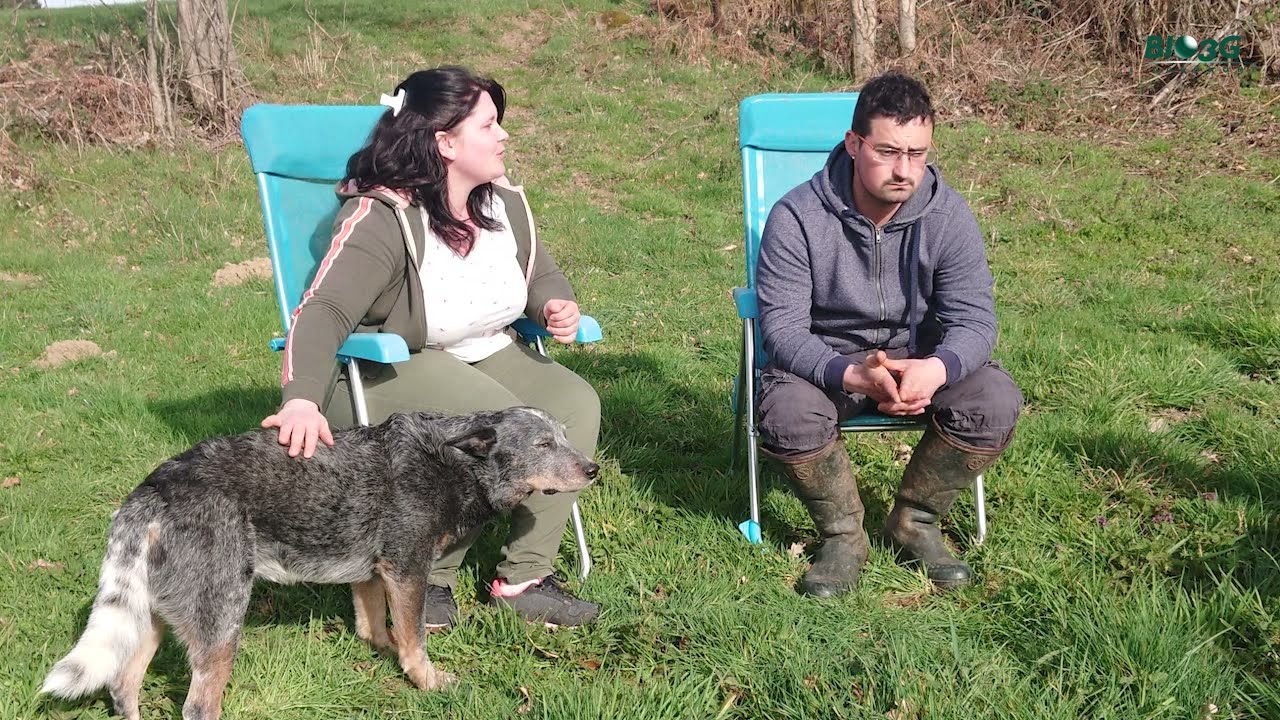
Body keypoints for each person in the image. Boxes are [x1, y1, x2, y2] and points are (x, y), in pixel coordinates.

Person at [260, 66, 601, 627]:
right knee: (490, 422)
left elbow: (539, 273)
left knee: (574, 403)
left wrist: (553, 305)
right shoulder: (383, 215)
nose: (503, 136)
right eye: (489, 125)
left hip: (488, 348)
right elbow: (323, 310)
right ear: (445, 143)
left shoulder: (503, 204)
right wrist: (300, 398)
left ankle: (526, 577)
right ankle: (430, 572)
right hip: (386, 368)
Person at [755, 71, 1023, 597]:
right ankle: (843, 537)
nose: (904, 170)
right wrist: (852, 374)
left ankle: (915, 522)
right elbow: (781, 327)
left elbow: (975, 319)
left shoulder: (948, 215)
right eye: (887, 151)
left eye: (917, 154)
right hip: (827, 364)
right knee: (786, 412)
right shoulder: (797, 216)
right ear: (854, 144)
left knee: (994, 398)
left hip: (917, 358)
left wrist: (937, 367)